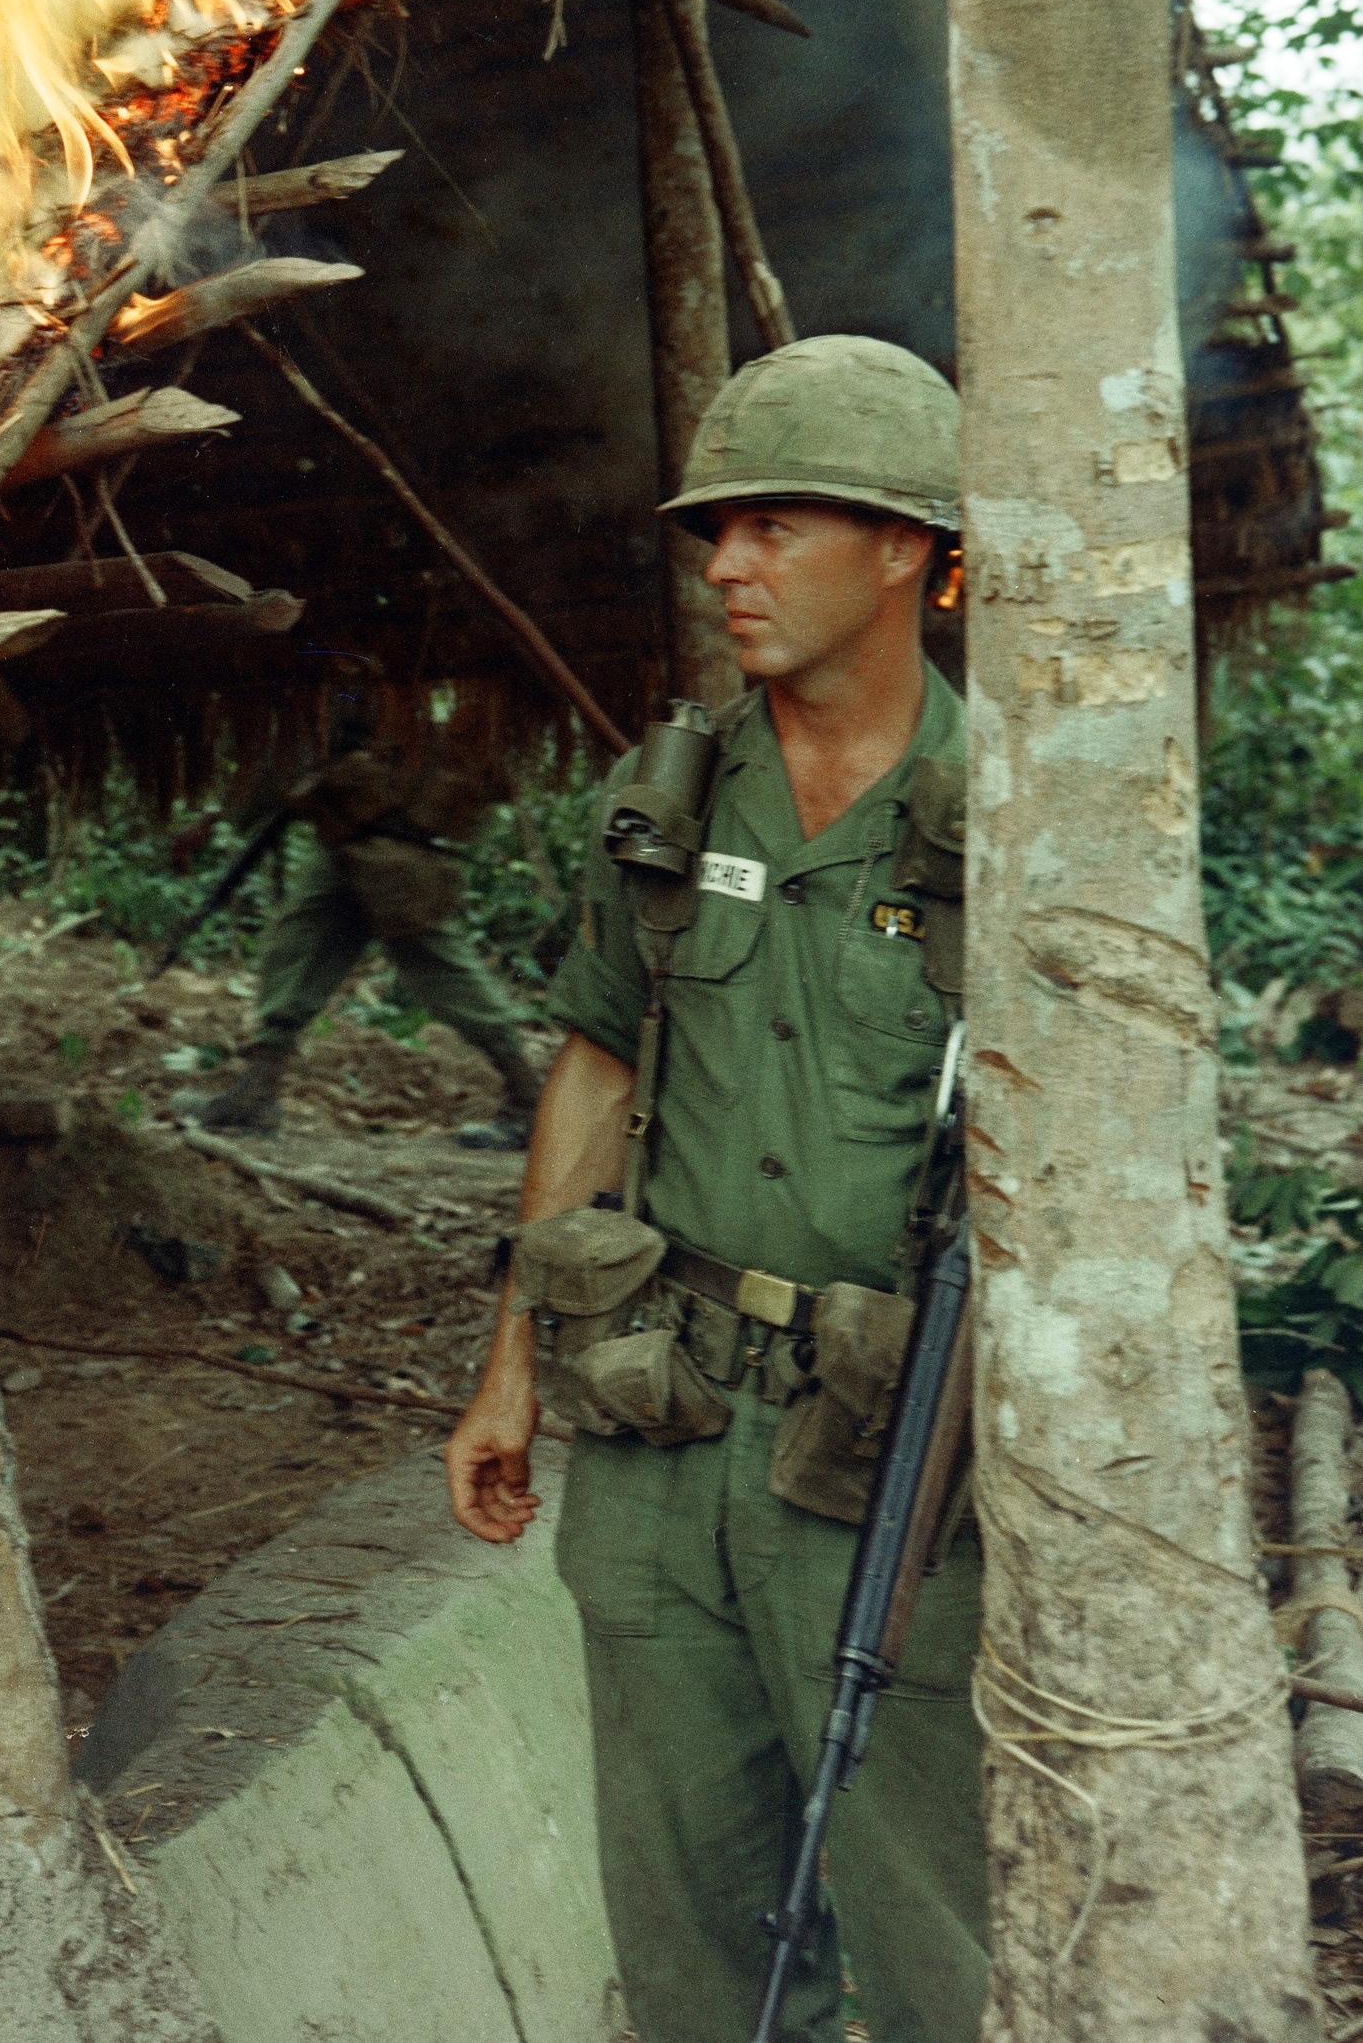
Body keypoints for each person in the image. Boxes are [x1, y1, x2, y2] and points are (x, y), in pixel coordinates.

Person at [444, 334, 987, 2043]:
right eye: (714, 533)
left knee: (928, 1948)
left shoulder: (1008, 817)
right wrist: (509, 1374)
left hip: (888, 1453)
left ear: (900, 547)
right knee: (688, 1955)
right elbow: (597, 1065)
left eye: (772, 528)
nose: (726, 568)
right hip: (663, 1437)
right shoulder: (668, 800)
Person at [171, 686, 543, 1147]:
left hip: (396, 858)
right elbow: (293, 762)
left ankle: (530, 1100)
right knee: (294, 951)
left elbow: (296, 762)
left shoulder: (380, 689)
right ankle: (256, 1092)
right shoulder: (331, 685)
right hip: (344, 848)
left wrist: (213, 816)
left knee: (445, 974)